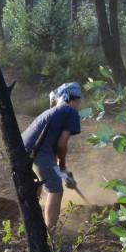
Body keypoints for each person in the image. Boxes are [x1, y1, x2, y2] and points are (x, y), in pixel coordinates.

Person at [21, 82, 83, 231]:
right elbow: (62, 144)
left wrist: (62, 172)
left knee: (36, 185)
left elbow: (52, 149)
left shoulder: (55, 111)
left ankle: (32, 227)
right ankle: (50, 235)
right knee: (55, 189)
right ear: (74, 99)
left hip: (21, 149)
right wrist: (61, 167)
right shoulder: (70, 111)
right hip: (37, 151)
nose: (79, 104)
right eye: (79, 101)